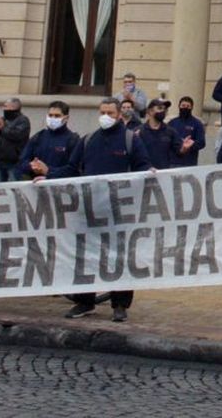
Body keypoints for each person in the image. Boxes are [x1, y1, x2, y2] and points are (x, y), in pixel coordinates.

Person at [46, 98, 152, 322]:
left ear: (119, 115)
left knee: (120, 258)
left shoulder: (131, 140)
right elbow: (71, 169)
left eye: (110, 113)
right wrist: (47, 176)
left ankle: (120, 305)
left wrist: (151, 173)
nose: (106, 116)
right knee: (87, 256)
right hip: (90, 210)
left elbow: (142, 169)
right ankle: (85, 302)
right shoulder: (88, 140)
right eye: (102, 112)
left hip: (119, 211)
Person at [17, 102, 79, 180]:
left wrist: (48, 171)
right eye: (50, 115)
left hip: (59, 187)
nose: (52, 118)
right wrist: (32, 166)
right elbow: (22, 161)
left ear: (66, 118)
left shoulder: (73, 140)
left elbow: (73, 169)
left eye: (57, 116)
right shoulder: (38, 137)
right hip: (36, 184)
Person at [0, 98, 31, 182]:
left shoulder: (23, 120)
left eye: (6, 106)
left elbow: (17, 135)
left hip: (14, 161)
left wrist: (3, 127)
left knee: (14, 185)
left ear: (14, 107)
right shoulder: (4, 119)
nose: (3, 108)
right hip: (1, 159)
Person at [137, 99, 177, 169]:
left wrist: (184, 148)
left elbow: (178, 151)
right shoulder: (139, 131)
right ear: (150, 111)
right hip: (143, 173)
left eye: (164, 109)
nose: (163, 111)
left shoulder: (171, 131)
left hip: (163, 173)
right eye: (159, 108)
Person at [167, 97, 206, 168]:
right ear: (179, 106)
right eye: (183, 106)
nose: (185, 108)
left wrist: (191, 144)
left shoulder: (197, 124)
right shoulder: (172, 123)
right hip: (172, 162)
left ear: (192, 108)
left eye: (188, 106)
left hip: (189, 163)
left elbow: (202, 143)